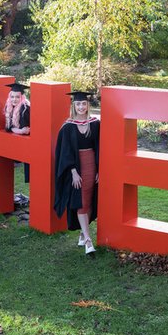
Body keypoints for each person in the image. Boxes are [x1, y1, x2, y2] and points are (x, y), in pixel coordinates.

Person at [53, 92, 100, 256]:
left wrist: (99, 169)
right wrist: (73, 172)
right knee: (81, 201)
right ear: (74, 106)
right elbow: (64, 152)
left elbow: (100, 147)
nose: (81, 107)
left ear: (88, 106)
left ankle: (82, 232)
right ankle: (88, 240)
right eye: (78, 105)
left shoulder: (94, 124)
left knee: (89, 201)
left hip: (91, 164)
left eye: (84, 104)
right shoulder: (68, 127)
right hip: (76, 168)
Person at [3, 82, 32, 183]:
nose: (14, 99)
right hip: (19, 142)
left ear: (22, 97)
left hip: (30, 143)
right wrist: (19, 131)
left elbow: (29, 129)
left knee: (32, 171)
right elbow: (8, 128)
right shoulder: (9, 107)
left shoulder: (25, 109)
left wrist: (21, 131)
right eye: (12, 97)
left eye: (17, 97)